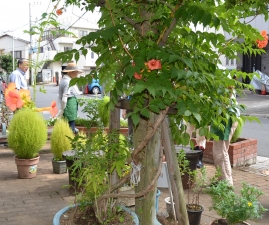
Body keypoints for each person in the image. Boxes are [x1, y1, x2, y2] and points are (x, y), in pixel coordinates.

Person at [211, 89, 240, 186]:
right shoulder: (224, 79)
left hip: (225, 120)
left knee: (220, 153)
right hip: (228, 118)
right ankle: (225, 180)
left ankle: (225, 182)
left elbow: (226, 99)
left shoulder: (222, 82)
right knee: (222, 151)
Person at [58, 62, 82, 134]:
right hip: (68, 106)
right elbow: (64, 98)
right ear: (71, 73)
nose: (77, 74)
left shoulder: (65, 80)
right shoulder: (67, 82)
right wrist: (62, 110)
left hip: (70, 106)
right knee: (70, 126)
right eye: (76, 72)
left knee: (69, 124)